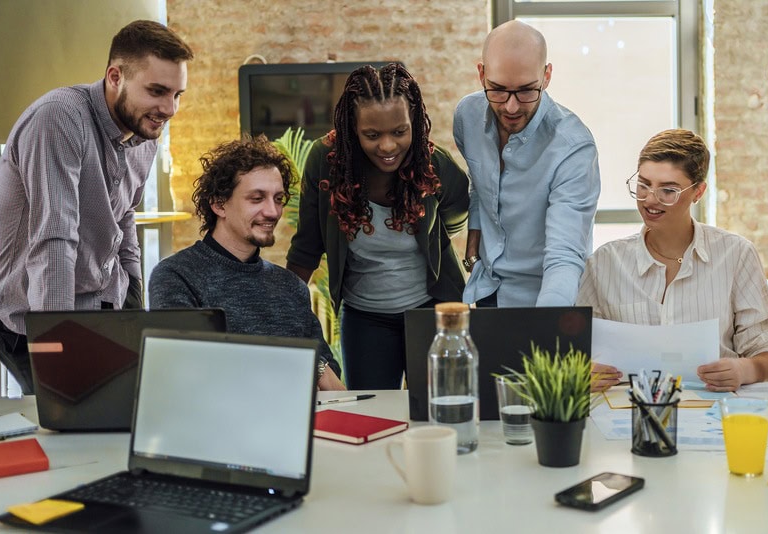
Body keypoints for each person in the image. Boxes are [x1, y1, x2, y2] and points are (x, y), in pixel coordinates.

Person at [0, 20, 193, 394]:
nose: (169, 108)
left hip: (101, 301)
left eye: (178, 94)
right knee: (62, 421)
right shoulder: (60, 117)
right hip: (30, 312)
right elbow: (54, 237)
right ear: (115, 76)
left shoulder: (146, 129)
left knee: (114, 417)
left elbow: (125, 213)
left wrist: (132, 291)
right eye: (157, 91)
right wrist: (57, 349)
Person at [286, 63, 469, 390]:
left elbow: (457, 216)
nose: (387, 146)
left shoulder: (432, 163)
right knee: (371, 416)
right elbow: (307, 247)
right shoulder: (325, 161)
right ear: (352, 129)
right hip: (364, 319)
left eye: (399, 131)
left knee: (437, 412)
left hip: (431, 313)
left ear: (414, 122)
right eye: (372, 135)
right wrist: (283, 312)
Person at [578, 129, 768, 392]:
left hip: (714, 411)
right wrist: (581, 371)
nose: (650, 200)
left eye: (668, 191)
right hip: (626, 414)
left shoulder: (736, 254)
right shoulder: (604, 263)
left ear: (698, 192)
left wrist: (744, 370)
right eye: (643, 185)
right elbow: (574, 353)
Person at [149, 136, 345, 391]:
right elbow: (189, 371)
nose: (273, 212)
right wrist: (305, 362)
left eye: (277, 199)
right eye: (257, 198)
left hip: (295, 422)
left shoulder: (290, 286)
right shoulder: (176, 275)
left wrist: (315, 366)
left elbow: (328, 376)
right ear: (219, 204)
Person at [454, 20, 600, 308]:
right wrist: (474, 240)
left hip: (544, 297)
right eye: (497, 90)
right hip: (486, 289)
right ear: (481, 74)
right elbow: (479, 185)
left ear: (546, 76)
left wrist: (545, 324)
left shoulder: (573, 148)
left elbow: (565, 254)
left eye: (526, 91)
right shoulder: (466, 117)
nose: (511, 107)